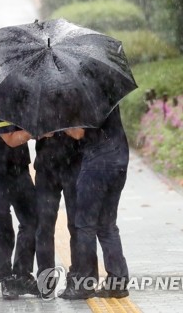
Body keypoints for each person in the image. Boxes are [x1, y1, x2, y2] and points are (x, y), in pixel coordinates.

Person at [59, 105, 130, 299]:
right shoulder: (105, 91)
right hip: (119, 161)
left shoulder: (83, 97)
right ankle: (118, 282)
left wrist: (59, 125)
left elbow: (78, 133)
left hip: (96, 166)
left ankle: (84, 284)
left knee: (84, 225)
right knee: (107, 225)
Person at [0, 118, 39, 299]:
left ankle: (22, 274)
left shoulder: (22, 98)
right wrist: (35, 129)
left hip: (19, 167)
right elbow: (11, 139)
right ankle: (6, 279)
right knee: (1, 225)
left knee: (33, 220)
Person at [34, 131, 82, 289]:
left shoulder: (76, 105)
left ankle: (77, 276)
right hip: (45, 168)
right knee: (44, 226)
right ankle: (45, 278)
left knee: (76, 225)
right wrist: (39, 131)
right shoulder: (37, 105)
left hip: (74, 165)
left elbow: (81, 132)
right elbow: (30, 128)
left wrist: (64, 126)